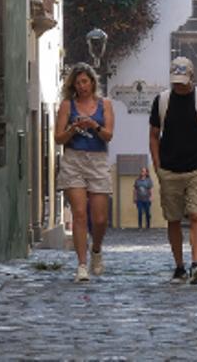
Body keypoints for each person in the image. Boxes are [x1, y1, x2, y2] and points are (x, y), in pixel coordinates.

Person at [149, 56, 197, 284]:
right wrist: (158, 165)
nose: (178, 85)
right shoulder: (161, 101)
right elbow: (153, 135)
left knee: (196, 215)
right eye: (175, 81)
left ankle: (196, 263)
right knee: (173, 219)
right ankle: (179, 266)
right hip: (169, 170)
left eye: (182, 80)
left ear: (191, 78)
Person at [54, 63, 114, 282]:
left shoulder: (104, 105)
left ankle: (96, 250)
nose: (82, 86)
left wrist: (93, 125)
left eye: (85, 81)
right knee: (79, 213)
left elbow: (108, 135)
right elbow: (58, 138)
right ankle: (81, 265)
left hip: (97, 161)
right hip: (74, 160)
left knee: (99, 218)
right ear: (73, 85)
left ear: (92, 82)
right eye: (78, 83)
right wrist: (73, 129)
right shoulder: (67, 106)